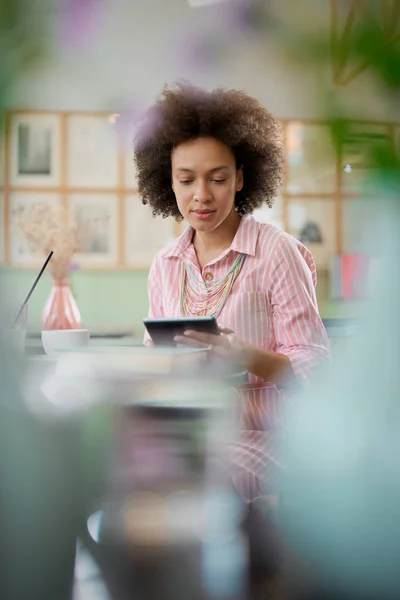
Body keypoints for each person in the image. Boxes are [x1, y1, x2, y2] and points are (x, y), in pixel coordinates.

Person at [134, 82, 330, 502]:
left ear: (241, 177)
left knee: (206, 485)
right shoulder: (165, 265)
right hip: (194, 436)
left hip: (270, 441)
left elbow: (316, 368)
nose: (201, 195)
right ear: (168, 181)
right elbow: (156, 365)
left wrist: (243, 355)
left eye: (217, 178)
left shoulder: (276, 253)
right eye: (186, 180)